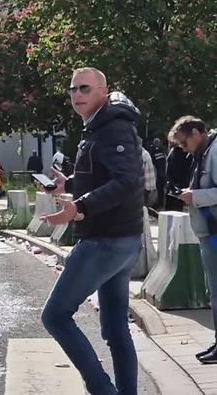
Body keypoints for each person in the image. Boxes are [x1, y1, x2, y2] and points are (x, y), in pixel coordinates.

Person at [39, 67, 144, 395]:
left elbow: (127, 182)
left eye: (84, 88)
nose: (76, 95)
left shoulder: (112, 128)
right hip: (118, 240)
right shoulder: (98, 127)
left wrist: (80, 206)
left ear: (103, 91)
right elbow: (103, 176)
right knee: (115, 328)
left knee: (55, 316)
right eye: (72, 89)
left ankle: (102, 390)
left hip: (106, 240)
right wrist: (68, 184)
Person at [170, 116, 217, 364]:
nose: (183, 148)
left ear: (197, 132)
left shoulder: (214, 152)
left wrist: (195, 196)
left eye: (184, 142)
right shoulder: (204, 152)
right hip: (209, 231)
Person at [165, 133, 193, 212]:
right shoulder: (178, 151)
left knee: (174, 212)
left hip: (177, 187)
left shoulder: (177, 152)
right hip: (178, 186)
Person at [147, 138, 167, 209]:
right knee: (160, 189)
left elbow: (153, 161)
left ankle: (159, 203)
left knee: (159, 188)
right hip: (162, 171)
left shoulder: (153, 150)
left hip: (158, 172)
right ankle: (160, 203)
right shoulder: (163, 149)